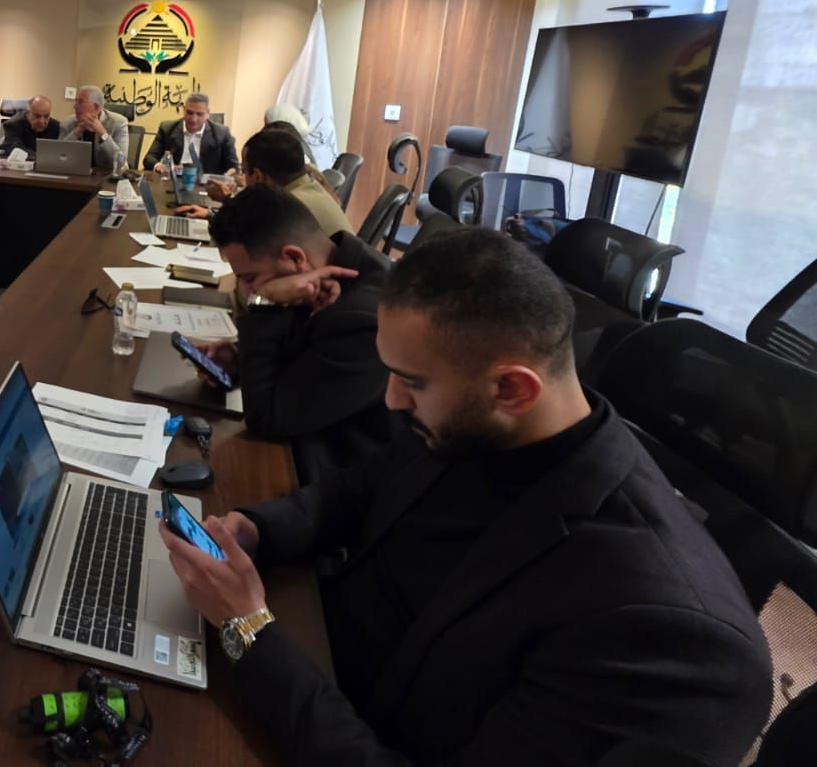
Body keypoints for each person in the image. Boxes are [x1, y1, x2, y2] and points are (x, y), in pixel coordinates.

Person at [160, 229, 771, 766]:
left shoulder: (667, 636)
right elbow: (357, 488)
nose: (392, 400)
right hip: (302, 650)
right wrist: (257, 529)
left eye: (411, 382)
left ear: (513, 389)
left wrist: (247, 630)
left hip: (325, 713)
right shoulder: (481, 420)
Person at [201, 183, 397, 478]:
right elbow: (301, 356)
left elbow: (266, 419)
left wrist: (264, 304)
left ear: (294, 257)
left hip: (330, 473)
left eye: (250, 278)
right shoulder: (329, 265)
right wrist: (239, 359)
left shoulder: (363, 320)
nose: (247, 290)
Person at [191, 127, 351, 236]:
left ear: (258, 176)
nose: (244, 177)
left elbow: (245, 238)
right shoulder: (308, 188)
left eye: (244, 170)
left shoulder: (288, 206)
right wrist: (226, 201)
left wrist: (223, 208)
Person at [142, 92, 239, 175]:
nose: (193, 119)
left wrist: (228, 175)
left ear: (207, 113)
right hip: (173, 181)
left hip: (206, 185)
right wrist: (159, 166)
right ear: (184, 110)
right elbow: (149, 158)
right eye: (190, 113)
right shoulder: (167, 128)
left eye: (199, 114)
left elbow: (233, 166)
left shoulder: (222, 133)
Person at [58, 85, 130, 170]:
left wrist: (102, 134)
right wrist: (76, 132)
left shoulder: (119, 122)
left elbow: (120, 162)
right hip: (77, 173)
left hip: (107, 174)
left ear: (96, 107)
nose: (75, 106)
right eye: (75, 101)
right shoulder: (68, 123)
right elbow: (58, 155)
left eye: (80, 102)